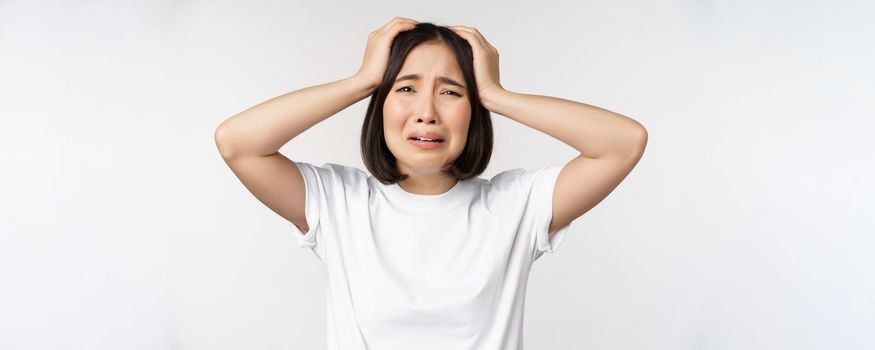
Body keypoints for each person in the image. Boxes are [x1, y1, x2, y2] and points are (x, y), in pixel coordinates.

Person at [215, 17, 647, 350]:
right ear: (379, 105)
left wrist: (496, 94)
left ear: (474, 111)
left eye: (451, 92)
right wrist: (361, 80)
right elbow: (237, 143)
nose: (426, 112)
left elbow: (624, 143)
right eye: (405, 88)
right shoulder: (339, 202)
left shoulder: (517, 205)